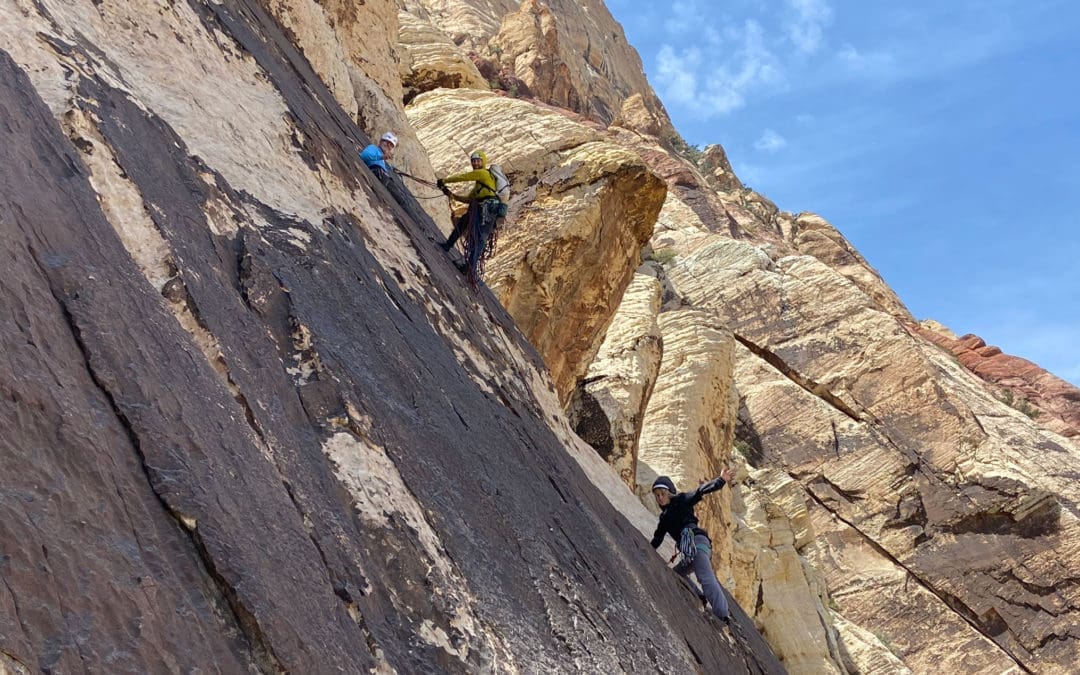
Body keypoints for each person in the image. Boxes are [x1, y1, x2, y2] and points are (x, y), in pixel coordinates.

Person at [650, 468, 736, 624]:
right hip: (689, 551)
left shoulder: (681, 500)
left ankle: (723, 615)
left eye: (663, 494)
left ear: (670, 493)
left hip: (697, 542)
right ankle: (699, 596)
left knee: (705, 577)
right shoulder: (664, 518)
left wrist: (721, 480)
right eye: (657, 496)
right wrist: (647, 551)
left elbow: (699, 492)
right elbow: (657, 538)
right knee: (677, 574)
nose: (660, 498)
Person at [436, 150, 503, 284]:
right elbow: (468, 199)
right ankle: (448, 246)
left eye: (478, 160)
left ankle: (469, 267)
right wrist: (450, 194)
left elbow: (464, 177)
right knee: (463, 223)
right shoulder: (480, 186)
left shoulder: (483, 173)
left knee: (478, 237)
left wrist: (445, 180)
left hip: (487, 207)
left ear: (483, 162)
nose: (475, 163)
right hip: (482, 207)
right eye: (473, 161)